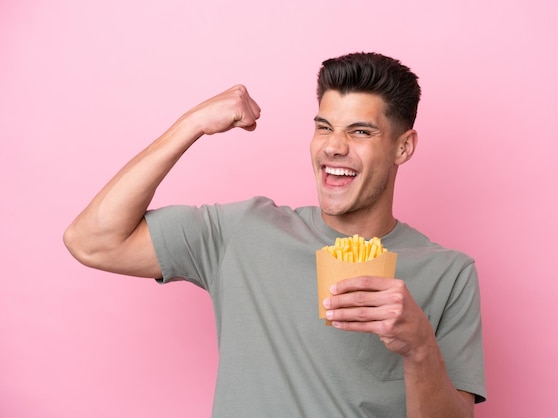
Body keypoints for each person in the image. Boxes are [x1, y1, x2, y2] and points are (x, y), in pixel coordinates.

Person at [64, 52, 486, 417]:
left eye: (360, 131)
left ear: (403, 147)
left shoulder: (449, 273)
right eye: (324, 127)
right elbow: (91, 241)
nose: (333, 147)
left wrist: (419, 347)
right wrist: (191, 125)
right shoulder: (244, 231)